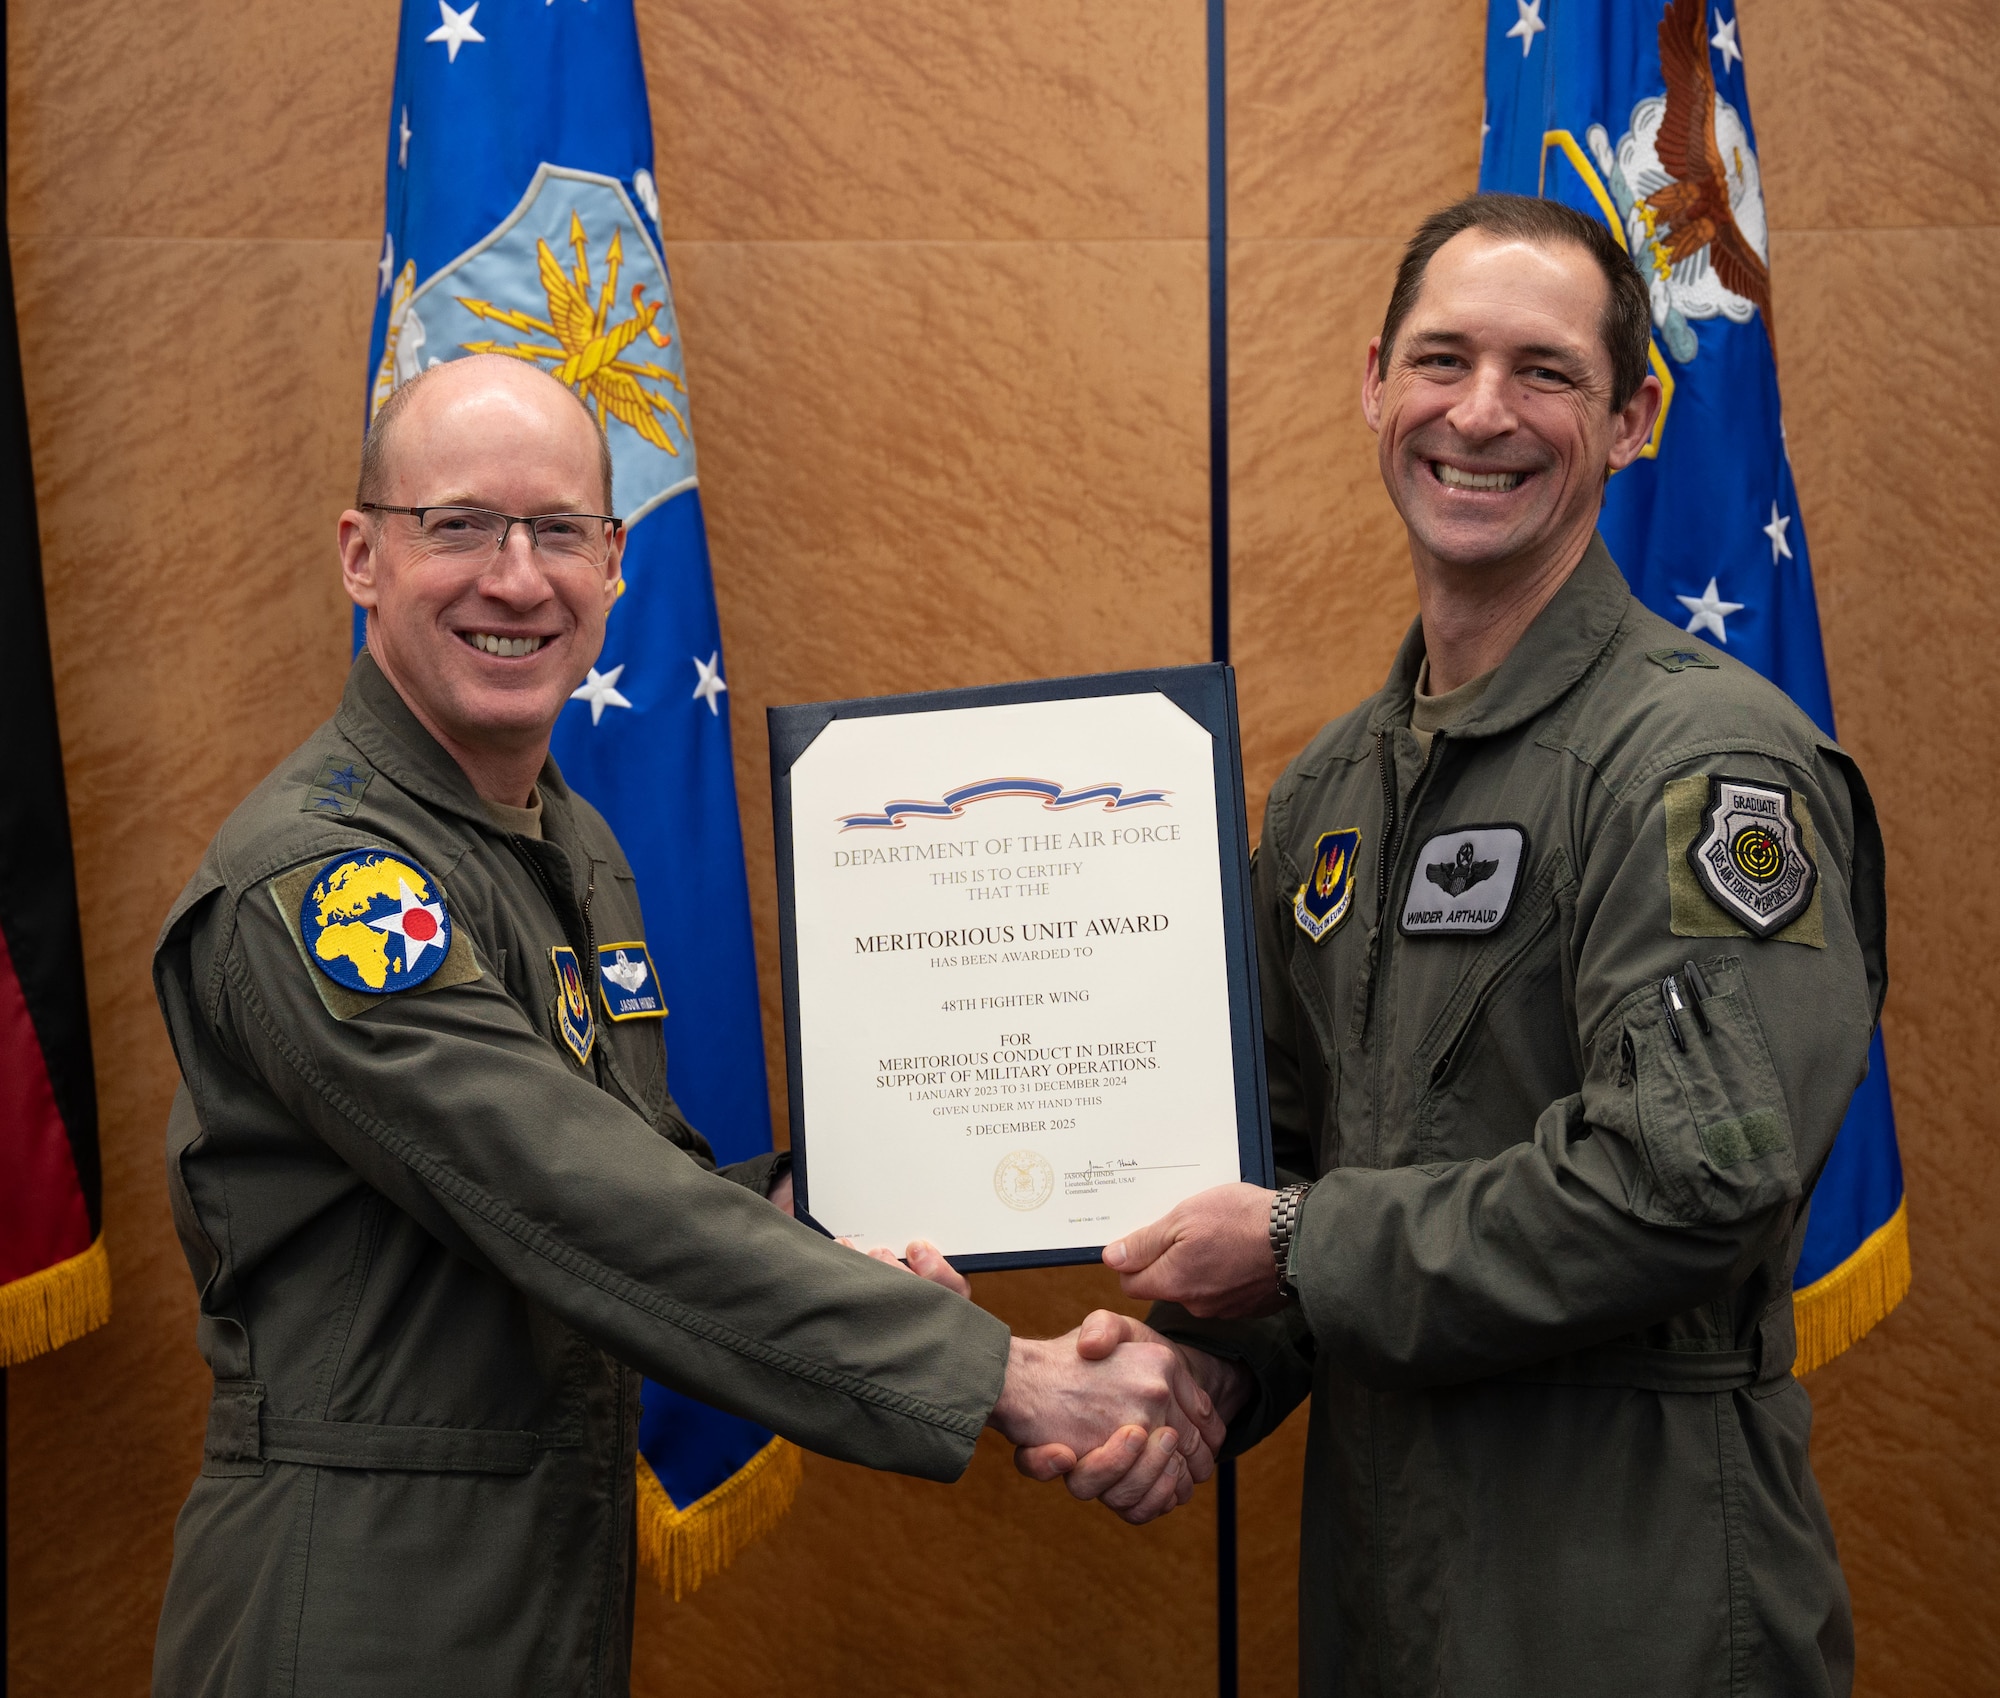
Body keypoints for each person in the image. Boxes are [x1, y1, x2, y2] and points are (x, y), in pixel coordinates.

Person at [150, 354, 1222, 1698]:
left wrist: (826, 1200)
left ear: (613, 564)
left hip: (546, 1576)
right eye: (461, 524)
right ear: (362, 554)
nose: (515, 576)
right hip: (361, 1599)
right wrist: (1001, 1373)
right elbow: (572, 1197)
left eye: (558, 532)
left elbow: (634, 1176)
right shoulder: (322, 881)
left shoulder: (565, 839)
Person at [1034, 194, 1886, 1695]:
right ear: (1375, 384)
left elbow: (1686, 1184)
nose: (1479, 413)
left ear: (1632, 418)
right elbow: (1290, 1148)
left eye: (1544, 372)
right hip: (1386, 1591)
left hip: (1636, 1598)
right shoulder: (1332, 791)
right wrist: (1214, 1364)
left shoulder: (1703, 769)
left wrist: (1295, 1243)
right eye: (1442, 360)